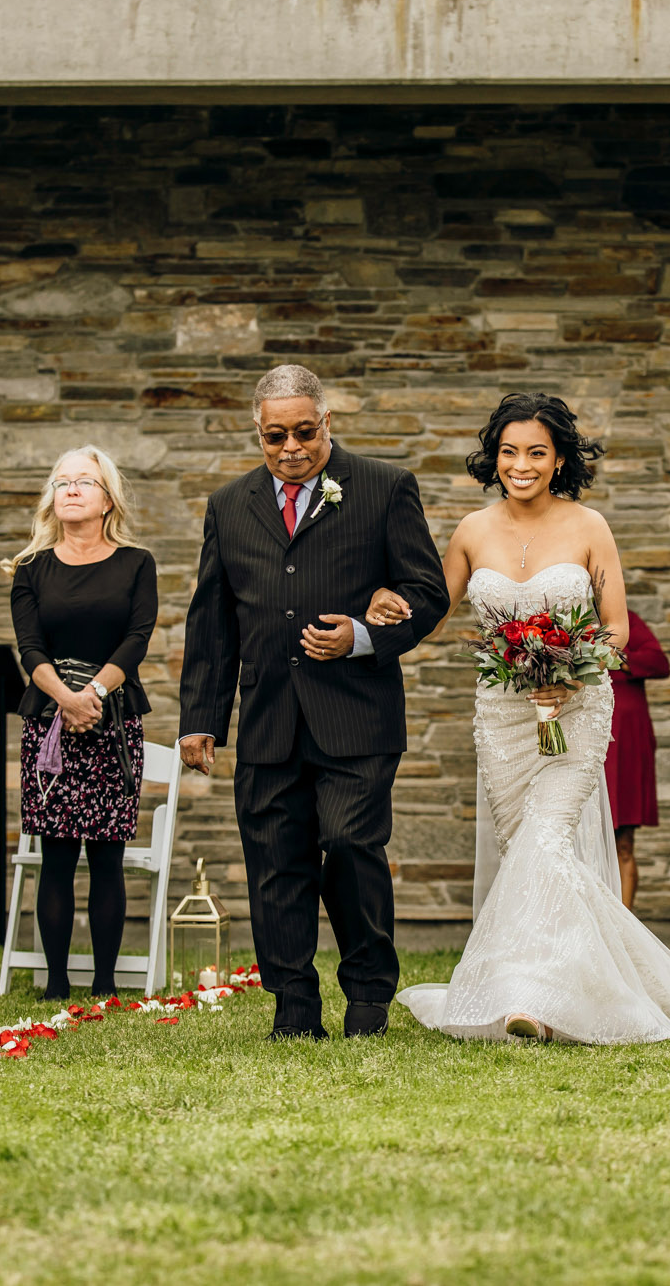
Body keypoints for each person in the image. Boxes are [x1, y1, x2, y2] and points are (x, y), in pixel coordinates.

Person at [388, 393, 670, 1042]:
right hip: (504, 717)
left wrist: (570, 669)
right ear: (495, 457)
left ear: (559, 458)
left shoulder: (590, 526)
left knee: (545, 840)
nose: (521, 464)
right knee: (530, 855)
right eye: (509, 451)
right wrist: (382, 608)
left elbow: (619, 631)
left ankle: (529, 1001)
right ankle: (607, 980)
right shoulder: (471, 531)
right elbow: (428, 606)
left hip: (576, 708)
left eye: (536, 451)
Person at [177, 363, 447, 1041]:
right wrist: (200, 720)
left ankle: (366, 997)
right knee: (275, 864)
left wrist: (365, 633)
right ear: (258, 434)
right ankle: (294, 1006)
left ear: (328, 423)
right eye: (275, 437)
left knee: (353, 843)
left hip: (357, 715)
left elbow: (428, 590)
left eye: (303, 432)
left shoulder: (385, 488)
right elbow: (211, 621)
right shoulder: (228, 504)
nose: (290, 448)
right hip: (268, 718)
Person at [5, 446, 156, 1000]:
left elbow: (138, 637)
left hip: (114, 719)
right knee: (57, 854)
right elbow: (29, 646)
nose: (70, 489)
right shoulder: (31, 569)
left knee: (108, 855)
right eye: (61, 481)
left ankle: (106, 982)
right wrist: (66, 699)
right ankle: (56, 983)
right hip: (48, 722)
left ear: (107, 498)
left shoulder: (137, 563)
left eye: (84, 481)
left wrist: (90, 693)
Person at [604, 610, 670, 911]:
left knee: (624, 840)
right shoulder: (559, 622)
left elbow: (658, 661)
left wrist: (616, 659)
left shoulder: (626, 620)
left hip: (627, 742)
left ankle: (624, 927)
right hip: (582, 737)